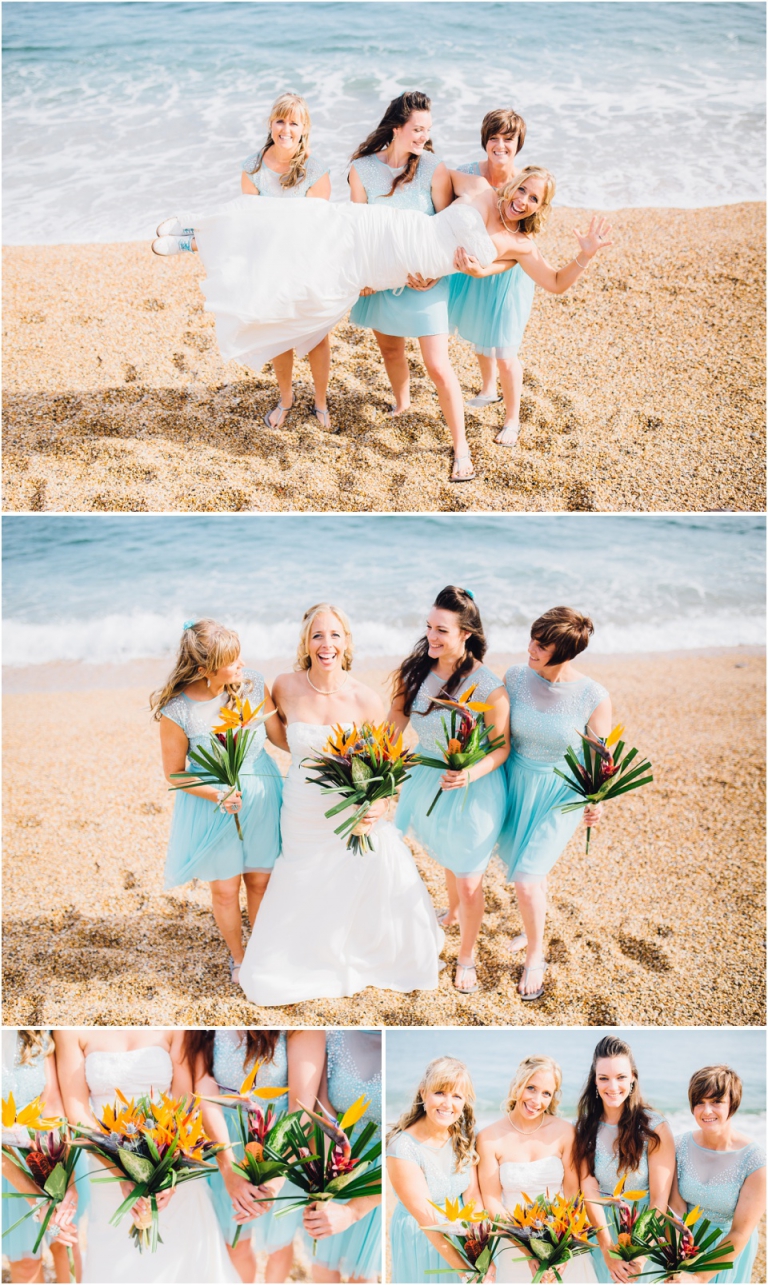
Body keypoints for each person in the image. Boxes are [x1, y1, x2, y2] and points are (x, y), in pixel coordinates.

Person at [152, 164, 611, 479]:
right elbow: (429, 167)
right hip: (388, 230)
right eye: (523, 189)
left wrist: (580, 256)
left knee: (315, 287)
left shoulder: (520, 247)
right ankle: (196, 230)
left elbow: (554, 282)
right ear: (513, 184)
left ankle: (201, 247)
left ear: (539, 207)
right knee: (307, 223)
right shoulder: (479, 190)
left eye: (535, 199)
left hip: (399, 273)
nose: (524, 200)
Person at [238, 602, 444, 1004]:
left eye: (334, 635)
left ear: (346, 643)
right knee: (300, 876)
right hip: (300, 807)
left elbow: (383, 761)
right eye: (317, 635)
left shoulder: (365, 700)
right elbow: (280, 738)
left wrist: (378, 805)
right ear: (306, 642)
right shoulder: (284, 686)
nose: (325, 643)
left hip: (349, 809)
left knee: (354, 877)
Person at [156, 93, 332, 429]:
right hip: (267, 259)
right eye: (280, 120)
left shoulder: (316, 169)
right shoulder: (253, 166)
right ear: (270, 124)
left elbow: (319, 224)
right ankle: (286, 399)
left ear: (304, 128)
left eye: (294, 122)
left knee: (316, 336)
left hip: (304, 260)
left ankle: (321, 403)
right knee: (279, 332)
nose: (286, 129)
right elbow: (247, 221)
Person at [389, 586, 510, 994]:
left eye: (442, 630)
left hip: (474, 786)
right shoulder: (416, 670)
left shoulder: (489, 687)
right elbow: (394, 723)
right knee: (443, 848)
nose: (431, 638)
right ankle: (454, 913)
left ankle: (466, 955)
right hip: (427, 776)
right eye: (428, 627)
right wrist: (376, 766)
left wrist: (469, 774)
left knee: (469, 878)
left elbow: (501, 747)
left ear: (466, 634)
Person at [348, 91, 474, 481]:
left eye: (427, 130)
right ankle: (402, 404)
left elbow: (448, 228)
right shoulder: (361, 169)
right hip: (381, 278)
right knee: (389, 348)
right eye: (417, 129)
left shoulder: (434, 169)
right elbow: (357, 229)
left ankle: (462, 448)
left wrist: (437, 274)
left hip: (425, 282)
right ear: (397, 127)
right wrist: (363, 277)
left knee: (437, 364)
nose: (423, 136)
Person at [151, 619, 284, 985]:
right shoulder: (176, 711)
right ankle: (239, 957)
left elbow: (278, 736)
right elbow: (174, 774)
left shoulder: (254, 684)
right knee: (225, 889)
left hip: (261, 795)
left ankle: (262, 950)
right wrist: (217, 792)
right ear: (203, 669)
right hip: (215, 804)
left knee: (260, 881)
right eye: (233, 660)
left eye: (241, 656)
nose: (242, 665)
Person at [53, 1029, 238, 1283]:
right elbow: (78, 1116)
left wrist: (167, 1173)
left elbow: (184, 1103)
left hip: (171, 1164)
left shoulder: (176, 1021)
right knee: (116, 1264)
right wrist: (121, 1172)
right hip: (106, 1165)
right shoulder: (69, 1030)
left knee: (182, 1263)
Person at [497, 607, 611, 1000]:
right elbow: (496, 731)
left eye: (542, 645)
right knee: (524, 867)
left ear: (564, 652)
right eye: (532, 638)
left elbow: (600, 759)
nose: (531, 648)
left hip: (561, 793)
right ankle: (533, 928)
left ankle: (535, 953)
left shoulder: (593, 696)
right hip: (515, 782)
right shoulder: (513, 676)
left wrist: (597, 800)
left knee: (527, 880)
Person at [187, 1028, 326, 1283]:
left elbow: (302, 1106)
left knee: (279, 1244)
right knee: (234, 1242)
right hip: (224, 1138)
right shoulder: (202, 1027)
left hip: (285, 1141)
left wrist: (277, 1174)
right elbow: (204, 1090)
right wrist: (227, 1166)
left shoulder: (299, 1027)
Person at [448, 108, 535, 443]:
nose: (500, 145)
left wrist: (488, 269)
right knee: (479, 332)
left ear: (518, 143)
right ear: (485, 140)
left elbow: (524, 247)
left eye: (508, 139)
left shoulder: (526, 183)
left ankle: (512, 420)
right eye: (494, 138)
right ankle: (487, 390)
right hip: (470, 269)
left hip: (507, 272)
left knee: (506, 351)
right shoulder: (468, 173)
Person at [477, 1054, 596, 1282]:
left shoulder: (565, 1132)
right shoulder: (488, 1138)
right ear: (517, 1085)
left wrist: (562, 1250)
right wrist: (529, 1249)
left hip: (563, 1241)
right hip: (514, 1243)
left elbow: (573, 1194)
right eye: (531, 1088)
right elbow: (492, 1201)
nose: (537, 1101)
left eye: (546, 1093)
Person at [574, 1036, 675, 1283]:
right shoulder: (585, 1126)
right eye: (604, 1078)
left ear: (632, 1078)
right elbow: (588, 1185)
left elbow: (660, 1198)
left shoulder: (655, 1127)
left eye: (621, 1077)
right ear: (594, 1080)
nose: (613, 1086)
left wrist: (641, 1254)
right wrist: (607, 1249)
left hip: (648, 1229)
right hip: (602, 1229)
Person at [387, 1057, 483, 1283]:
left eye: (457, 1096)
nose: (447, 1104)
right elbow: (429, 1221)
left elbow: (473, 1195)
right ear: (423, 1093)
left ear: (464, 1102)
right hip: (421, 1235)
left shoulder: (465, 1135)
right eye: (440, 1092)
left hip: (461, 1230)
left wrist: (479, 1245)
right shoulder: (402, 1147)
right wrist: (465, 1271)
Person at [669, 1065, 766, 1284]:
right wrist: (678, 1258)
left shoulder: (756, 1161)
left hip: (726, 1251)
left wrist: (698, 1277)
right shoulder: (679, 1146)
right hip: (685, 1243)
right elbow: (676, 1208)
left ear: (733, 1104)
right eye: (699, 1102)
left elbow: (740, 1231)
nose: (706, 1111)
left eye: (716, 1102)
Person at [2, 1030, 81, 1285]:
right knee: (26, 1263)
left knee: (65, 1245)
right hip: (6, 1164)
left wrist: (65, 1177)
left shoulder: (35, 1031)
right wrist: (37, 1202)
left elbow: (54, 1106)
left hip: (44, 1147)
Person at [304, 1031, 382, 1283]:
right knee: (322, 1270)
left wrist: (352, 1212)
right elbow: (325, 1112)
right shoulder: (333, 1035)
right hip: (337, 1160)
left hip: (382, 1170)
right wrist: (322, 1183)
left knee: (364, 1277)